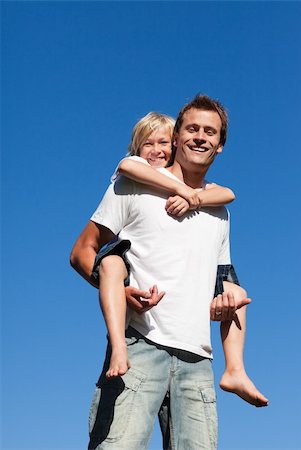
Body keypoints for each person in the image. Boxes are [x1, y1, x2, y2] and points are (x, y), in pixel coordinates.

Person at [70, 95, 268, 450]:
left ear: (220, 146)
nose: (200, 137)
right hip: (138, 349)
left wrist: (223, 304)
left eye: (211, 132)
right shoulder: (133, 184)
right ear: (176, 136)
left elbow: (218, 279)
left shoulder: (219, 211)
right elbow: (82, 252)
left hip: (198, 361)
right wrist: (115, 288)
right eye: (192, 128)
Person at [93, 112, 236, 380]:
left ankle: (236, 369)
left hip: (193, 347)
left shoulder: (210, 203)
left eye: (163, 143)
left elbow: (228, 194)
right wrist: (185, 192)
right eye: (147, 144)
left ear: (173, 145)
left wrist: (194, 198)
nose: (156, 151)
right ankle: (119, 348)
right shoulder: (135, 175)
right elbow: (126, 165)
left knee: (238, 292)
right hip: (122, 264)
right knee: (111, 266)